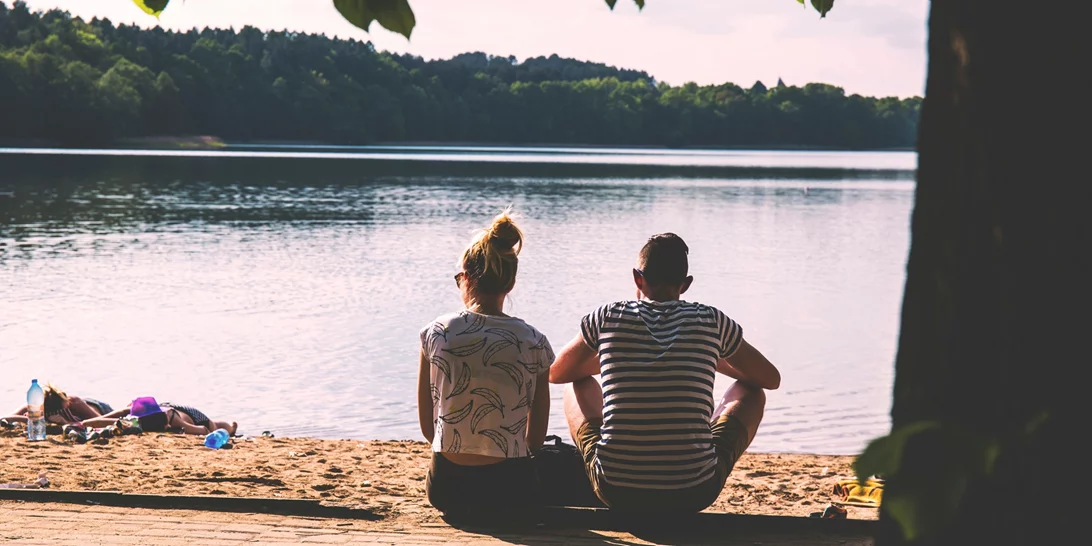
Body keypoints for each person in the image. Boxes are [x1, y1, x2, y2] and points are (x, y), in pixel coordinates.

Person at [549, 233, 781, 513]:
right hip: (695, 490)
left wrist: (617, 355)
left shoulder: (608, 316)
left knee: (575, 384)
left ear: (637, 278)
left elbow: (557, 373)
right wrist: (710, 355)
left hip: (615, 488)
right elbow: (770, 379)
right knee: (752, 391)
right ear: (685, 285)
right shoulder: (711, 320)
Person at [418, 208, 555, 520]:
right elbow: (535, 439)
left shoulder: (435, 332)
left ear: (465, 279)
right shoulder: (534, 341)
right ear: (511, 283)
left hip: (445, 488)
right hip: (509, 490)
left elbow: (429, 429)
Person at [81, 398, 237, 436]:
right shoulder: (135, 413)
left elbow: (202, 429)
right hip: (156, 407)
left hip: (190, 415)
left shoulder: (171, 419)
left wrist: (182, 429)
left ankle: (231, 427)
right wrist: (83, 423)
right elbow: (113, 418)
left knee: (215, 425)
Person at [1, 384, 112, 426]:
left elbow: (100, 421)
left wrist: (67, 423)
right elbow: (5, 419)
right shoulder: (35, 407)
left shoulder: (73, 402)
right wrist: (32, 420)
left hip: (100, 409)